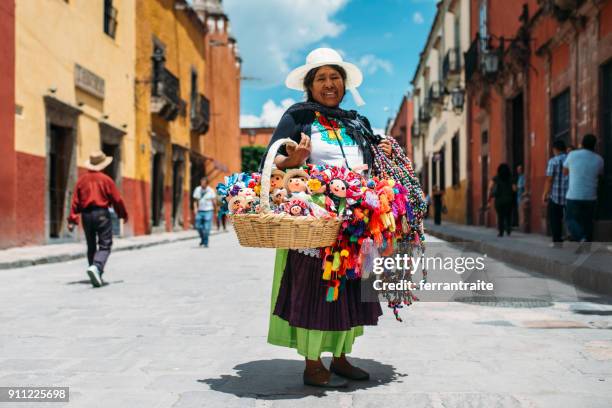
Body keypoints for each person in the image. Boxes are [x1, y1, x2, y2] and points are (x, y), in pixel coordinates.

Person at [263, 48, 392, 388]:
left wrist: (383, 153)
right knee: (314, 288)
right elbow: (271, 164)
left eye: (335, 77)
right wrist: (295, 160)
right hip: (314, 219)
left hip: (355, 221)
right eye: (321, 78)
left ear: (344, 83)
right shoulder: (299, 117)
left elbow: (372, 161)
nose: (329, 84)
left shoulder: (357, 122)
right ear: (309, 85)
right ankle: (311, 361)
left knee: (350, 289)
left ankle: (341, 356)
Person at [68, 151, 128, 288]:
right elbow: (117, 199)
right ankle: (97, 267)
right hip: (101, 214)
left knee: (91, 245)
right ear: (103, 165)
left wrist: (72, 219)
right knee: (105, 244)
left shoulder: (81, 180)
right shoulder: (106, 180)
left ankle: (95, 271)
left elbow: (75, 201)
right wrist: (122, 214)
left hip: (86, 216)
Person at [563, 134, 604, 242]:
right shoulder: (599, 159)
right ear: (595, 145)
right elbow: (600, 175)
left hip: (574, 195)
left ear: (582, 143)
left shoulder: (572, 154)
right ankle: (587, 245)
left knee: (570, 219)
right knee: (587, 222)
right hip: (591, 196)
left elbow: (565, 172)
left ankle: (581, 237)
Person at [542, 140, 569, 245]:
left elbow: (549, 179)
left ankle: (557, 240)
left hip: (555, 196)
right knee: (570, 217)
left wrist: (545, 193)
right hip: (569, 195)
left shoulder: (553, 161)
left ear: (555, 149)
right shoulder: (570, 159)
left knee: (555, 218)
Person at [488, 163, 516, 237]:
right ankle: (508, 230)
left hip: (499, 201)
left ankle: (501, 232)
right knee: (508, 216)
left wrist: (490, 197)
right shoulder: (510, 178)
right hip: (509, 200)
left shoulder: (496, 178)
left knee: (500, 216)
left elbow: (490, 186)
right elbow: (514, 189)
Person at [192, 177, 216, 247]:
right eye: (201, 182)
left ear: (207, 183)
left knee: (206, 228)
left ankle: (205, 242)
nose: (202, 184)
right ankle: (203, 239)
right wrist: (195, 208)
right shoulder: (197, 189)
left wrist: (215, 211)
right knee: (198, 226)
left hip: (208, 211)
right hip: (200, 211)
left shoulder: (211, 190)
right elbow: (195, 201)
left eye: (204, 183)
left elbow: (214, 201)